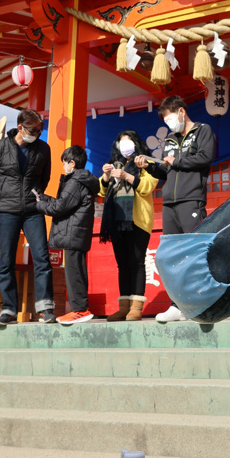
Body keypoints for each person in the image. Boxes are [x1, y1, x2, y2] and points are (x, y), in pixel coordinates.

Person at [136, 95, 215, 323]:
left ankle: (202, 303)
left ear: (182, 111)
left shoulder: (202, 130)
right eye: (166, 121)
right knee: (172, 256)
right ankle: (176, 305)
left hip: (191, 200)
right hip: (169, 203)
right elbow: (166, 172)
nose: (169, 124)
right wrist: (150, 167)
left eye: (170, 118)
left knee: (194, 253)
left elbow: (205, 157)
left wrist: (176, 162)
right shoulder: (170, 140)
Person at [0, 109, 54, 326]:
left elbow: (45, 177)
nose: (38, 134)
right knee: (6, 261)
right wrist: (0, 203)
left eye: (41, 130)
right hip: (7, 211)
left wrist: (34, 197)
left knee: (42, 259)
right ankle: (9, 309)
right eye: (34, 130)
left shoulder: (43, 148)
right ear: (21, 128)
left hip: (33, 210)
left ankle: (45, 308)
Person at [34, 145, 100, 325]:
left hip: (73, 232)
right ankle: (80, 309)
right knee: (76, 271)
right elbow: (64, 203)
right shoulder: (82, 180)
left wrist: (38, 205)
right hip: (77, 232)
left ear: (72, 162)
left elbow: (59, 208)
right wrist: (44, 198)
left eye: (64, 163)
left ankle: (80, 310)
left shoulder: (75, 182)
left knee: (74, 273)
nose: (64, 167)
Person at [99, 130, 158, 322]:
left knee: (137, 262)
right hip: (117, 220)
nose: (125, 146)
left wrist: (126, 175)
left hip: (137, 219)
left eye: (128, 142)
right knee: (122, 265)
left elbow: (148, 186)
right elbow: (102, 191)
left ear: (136, 144)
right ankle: (124, 307)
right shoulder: (116, 164)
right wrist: (107, 177)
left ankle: (136, 307)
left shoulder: (145, 163)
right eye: (121, 142)